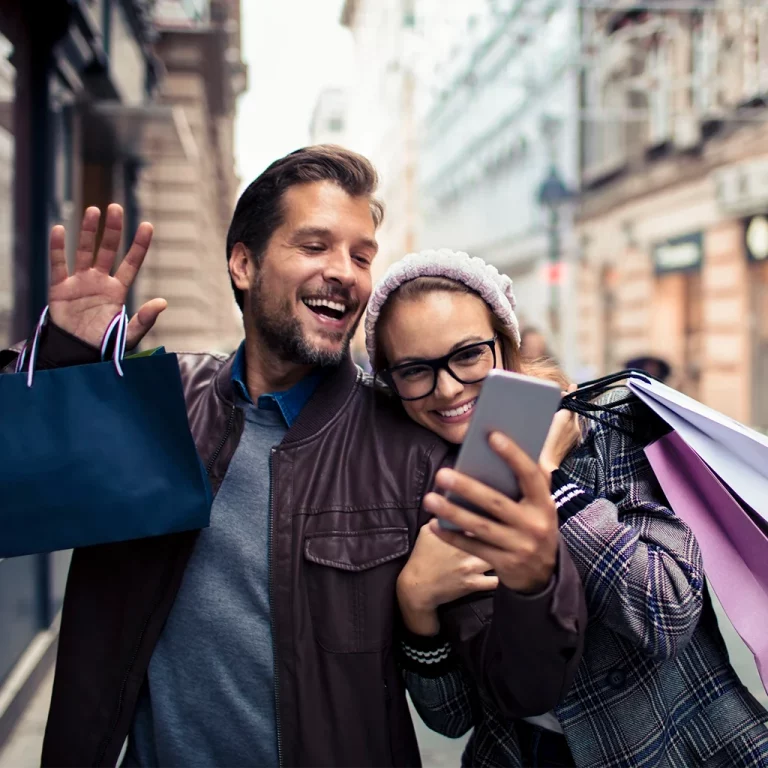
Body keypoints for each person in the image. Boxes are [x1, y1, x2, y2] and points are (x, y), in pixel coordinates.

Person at [1, 147, 586, 768]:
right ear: (243, 263)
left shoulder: (415, 452)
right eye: (315, 246)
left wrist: (536, 583)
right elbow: (19, 497)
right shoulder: (157, 408)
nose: (345, 273)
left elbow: (516, 688)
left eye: (361, 255)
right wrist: (64, 359)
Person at [366, 248, 768, 768]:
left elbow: (668, 610)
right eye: (415, 369)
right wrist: (416, 604)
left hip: (673, 746)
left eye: (468, 355)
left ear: (505, 346)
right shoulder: (418, 492)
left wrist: (549, 481)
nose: (447, 388)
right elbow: (451, 717)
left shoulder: (600, 436)